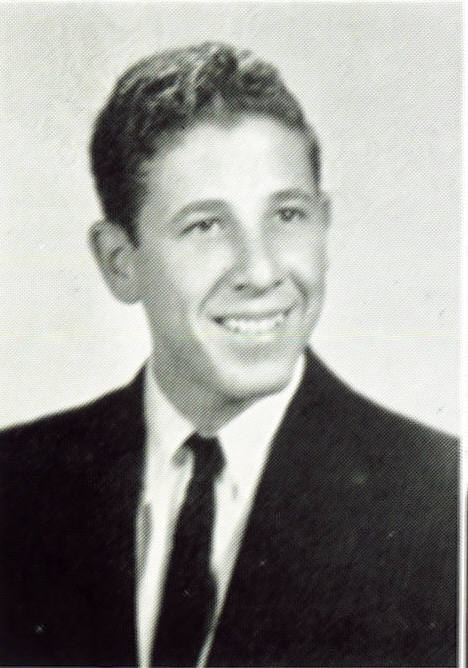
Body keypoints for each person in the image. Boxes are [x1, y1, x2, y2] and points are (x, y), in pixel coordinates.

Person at [0, 42, 457, 667]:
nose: (261, 271)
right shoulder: (15, 486)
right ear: (120, 262)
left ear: (325, 224)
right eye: (205, 226)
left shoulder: (440, 502)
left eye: (288, 215)